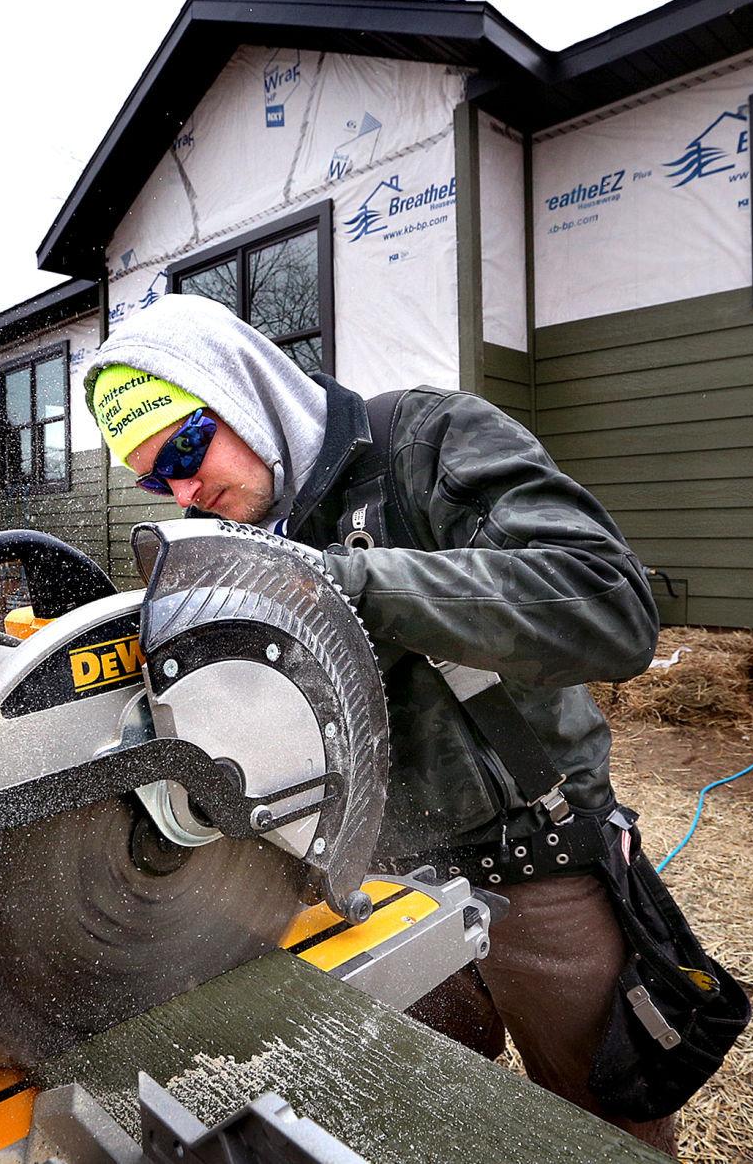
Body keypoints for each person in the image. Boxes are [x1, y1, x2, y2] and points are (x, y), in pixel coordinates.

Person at [84, 294, 677, 1152]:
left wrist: (344, 585)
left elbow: (608, 605)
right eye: (153, 477)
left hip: (535, 861)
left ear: (245, 392)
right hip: (372, 882)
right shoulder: (225, 534)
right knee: (416, 1124)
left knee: (603, 1128)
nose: (182, 488)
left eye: (183, 448)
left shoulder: (424, 440)